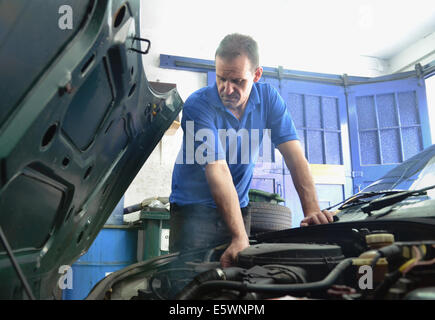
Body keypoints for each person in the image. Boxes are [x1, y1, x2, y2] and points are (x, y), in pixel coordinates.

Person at [169, 33, 334, 267]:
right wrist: (239, 236)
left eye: (237, 81)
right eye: (221, 79)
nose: (227, 89)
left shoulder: (269, 99)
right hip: (192, 212)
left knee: (239, 281)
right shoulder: (198, 105)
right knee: (190, 284)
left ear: (256, 75)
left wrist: (312, 211)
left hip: (239, 208)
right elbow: (217, 169)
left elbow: (294, 155)